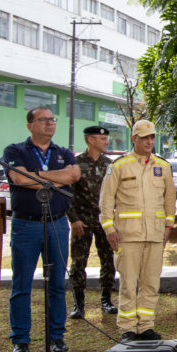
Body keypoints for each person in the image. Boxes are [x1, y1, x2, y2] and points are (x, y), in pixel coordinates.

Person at [4, 106, 81, 352]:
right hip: (27, 225)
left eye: (52, 119)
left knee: (57, 283)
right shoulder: (15, 150)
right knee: (22, 284)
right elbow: (18, 179)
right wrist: (56, 178)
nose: (49, 123)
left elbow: (74, 175)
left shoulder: (63, 152)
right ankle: (21, 340)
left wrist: (36, 176)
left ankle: (57, 337)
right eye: (43, 120)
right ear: (30, 125)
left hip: (57, 223)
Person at [99, 120, 176, 341]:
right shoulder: (119, 166)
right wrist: (109, 229)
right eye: (144, 138)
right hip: (128, 234)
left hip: (155, 234)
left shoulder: (163, 166)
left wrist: (168, 226)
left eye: (152, 137)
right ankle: (128, 328)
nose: (149, 142)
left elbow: (169, 200)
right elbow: (106, 201)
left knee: (151, 283)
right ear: (134, 139)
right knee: (128, 283)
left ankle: (146, 326)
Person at [67, 125, 117, 318]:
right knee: (79, 262)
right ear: (90, 140)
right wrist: (74, 219)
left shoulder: (109, 164)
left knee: (108, 261)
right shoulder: (75, 163)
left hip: (105, 221)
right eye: (102, 139)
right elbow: (67, 194)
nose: (107, 142)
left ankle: (106, 300)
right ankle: (78, 304)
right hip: (83, 221)